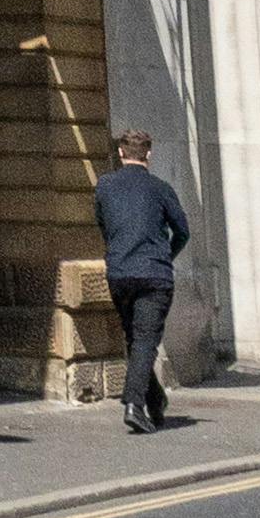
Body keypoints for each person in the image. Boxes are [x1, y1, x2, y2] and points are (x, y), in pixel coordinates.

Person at [93, 127, 190, 433]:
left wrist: (121, 251)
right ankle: (134, 404)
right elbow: (182, 231)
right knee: (145, 341)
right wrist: (165, 256)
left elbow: (104, 224)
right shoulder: (160, 188)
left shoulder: (105, 186)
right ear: (148, 154)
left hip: (120, 273)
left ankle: (156, 399)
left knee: (136, 342)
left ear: (120, 154)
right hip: (153, 275)